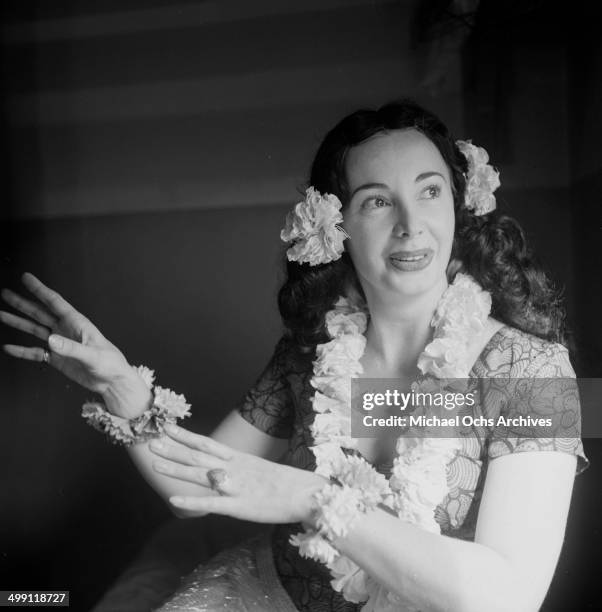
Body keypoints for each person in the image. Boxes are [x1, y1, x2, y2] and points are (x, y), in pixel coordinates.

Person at [1, 99, 589, 612]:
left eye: (430, 191)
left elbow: (509, 596)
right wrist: (121, 390)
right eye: (377, 202)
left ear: (457, 208)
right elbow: (202, 486)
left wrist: (314, 499)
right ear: (336, 229)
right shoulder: (312, 350)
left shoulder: (530, 372)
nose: (411, 226)